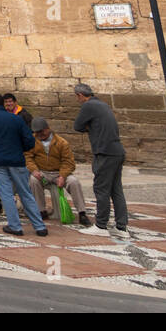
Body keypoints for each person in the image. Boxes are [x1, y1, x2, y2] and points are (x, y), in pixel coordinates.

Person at [0, 92, 47, 236]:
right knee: (25, 192)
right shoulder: (16, 119)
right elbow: (30, 140)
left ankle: (15, 226)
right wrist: (20, 149)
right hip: (17, 160)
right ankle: (39, 226)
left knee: (6, 193)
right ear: (3, 103)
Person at [72, 83, 128, 235]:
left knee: (101, 188)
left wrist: (88, 127)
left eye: (76, 97)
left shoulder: (88, 106)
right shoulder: (103, 104)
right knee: (116, 190)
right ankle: (121, 227)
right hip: (117, 151)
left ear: (80, 95)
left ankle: (101, 225)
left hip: (104, 152)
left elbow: (77, 126)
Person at [25, 117, 92, 226]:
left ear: (47, 129)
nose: (39, 135)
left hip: (58, 172)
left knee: (74, 182)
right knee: (33, 180)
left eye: (41, 132)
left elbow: (68, 162)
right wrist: (34, 170)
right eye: (37, 133)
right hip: (42, 172)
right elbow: (28, 157)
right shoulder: (32, 141)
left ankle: (82, 213)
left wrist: (62, 175)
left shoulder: (61, 142)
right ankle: (41, 211)